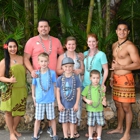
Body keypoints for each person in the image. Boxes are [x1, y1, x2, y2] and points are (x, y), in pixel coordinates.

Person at [24, 19, 64, 137]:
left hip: (53, 80)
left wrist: (80, 56)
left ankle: (52, 129)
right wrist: (32, 71)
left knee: (52, 108)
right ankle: (38, 130)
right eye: (41, 27)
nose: (43, 29)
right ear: (38, 28)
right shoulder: (31, 41)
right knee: (40, 111)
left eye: (45, 26)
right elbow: (26, 58)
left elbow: (63, 55)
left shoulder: (56, 41)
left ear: (49, 28)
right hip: (39, 79)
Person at [107, 21, 140, 140]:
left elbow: (138, 64)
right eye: (119, 29)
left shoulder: (130, 46)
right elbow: (114, 62)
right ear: (116, 31)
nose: (122, 32)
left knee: (126, 107)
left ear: (128, 32)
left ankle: (127, 134)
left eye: (124, 29)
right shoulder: (114, 45)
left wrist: (121, 67)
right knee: (118, 105)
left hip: (126, 79)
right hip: (116, 79)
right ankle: (119, 128)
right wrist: (111, 76)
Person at [56, 36, 84, 138]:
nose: (71, 46)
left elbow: (83, 70)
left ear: (75, 45)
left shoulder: (79, 56)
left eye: (73, 44)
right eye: (69, 44)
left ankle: (74, 131)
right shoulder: (61, 57)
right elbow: (58, 71)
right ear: (65, 45)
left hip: (76, 83)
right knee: (66, 108)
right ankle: (66, 133)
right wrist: (68, 70)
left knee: (77, 108)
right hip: (65, 82)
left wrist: (78, 71)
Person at [0, 38, 27, 140]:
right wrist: (9, 80)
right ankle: (11, 133)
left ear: (17, 47)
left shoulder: (21, 58)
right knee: (8, 112)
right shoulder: (4, 62)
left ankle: (14, 128)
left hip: (21, 89)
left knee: (19, 112)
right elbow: (0, 76)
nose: (12, 49)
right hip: (9, 91)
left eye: (14, 46)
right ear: (7, 48)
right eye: (10, 47)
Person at [83, 33, 108, 138]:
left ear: (97, 42)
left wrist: (103, 83)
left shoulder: (101, 54)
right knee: (89, 109)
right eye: (89, 41)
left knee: (96, 106)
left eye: (94, 41)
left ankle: (96, 134)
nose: (91, 43)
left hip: (97, 84)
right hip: (86, 84)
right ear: (87, 42)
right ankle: (92, 132)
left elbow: (106, 70)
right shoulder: (85, 54)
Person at [31, 52, 58, 140]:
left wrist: (55, 98)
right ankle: (35, 135)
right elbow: (33, 85)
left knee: (52, 118)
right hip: (39, 100)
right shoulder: (36, 74)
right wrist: (33, 97)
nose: (44, 63)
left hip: (50, 99)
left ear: (48, 62)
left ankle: (54, 134)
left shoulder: (52, 73)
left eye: (45, 61)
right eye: (41, 61)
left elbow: (55, 85)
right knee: (38, 119)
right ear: (38, 62)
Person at [56, 57, 81, 140]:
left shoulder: (76, 78)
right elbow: (58, 91)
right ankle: (66, 136)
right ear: (62, 67)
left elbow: (78, 91)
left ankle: (72, 136)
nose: (68, 68)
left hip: (72, 105)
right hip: (63, 105)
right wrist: (59, 103)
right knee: (64, 121)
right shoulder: (59, 79)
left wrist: (77, 103)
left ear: (73, 67)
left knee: (72, 121)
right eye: (66, 66)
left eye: (70, 66)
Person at [82, 70, 106, 140]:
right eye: (94, 78)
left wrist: (104, 101)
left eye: (98, 78)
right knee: (90, 124)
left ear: (100, 78)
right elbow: (83, 96)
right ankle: (90, 137)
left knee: (99, 124)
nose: (96, 80)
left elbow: (103, 96)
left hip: (99, 109)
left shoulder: (101, 88)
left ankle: (98, 136)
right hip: (90, 109)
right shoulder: (87, 88)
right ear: (90, 78)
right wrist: (87, 100)